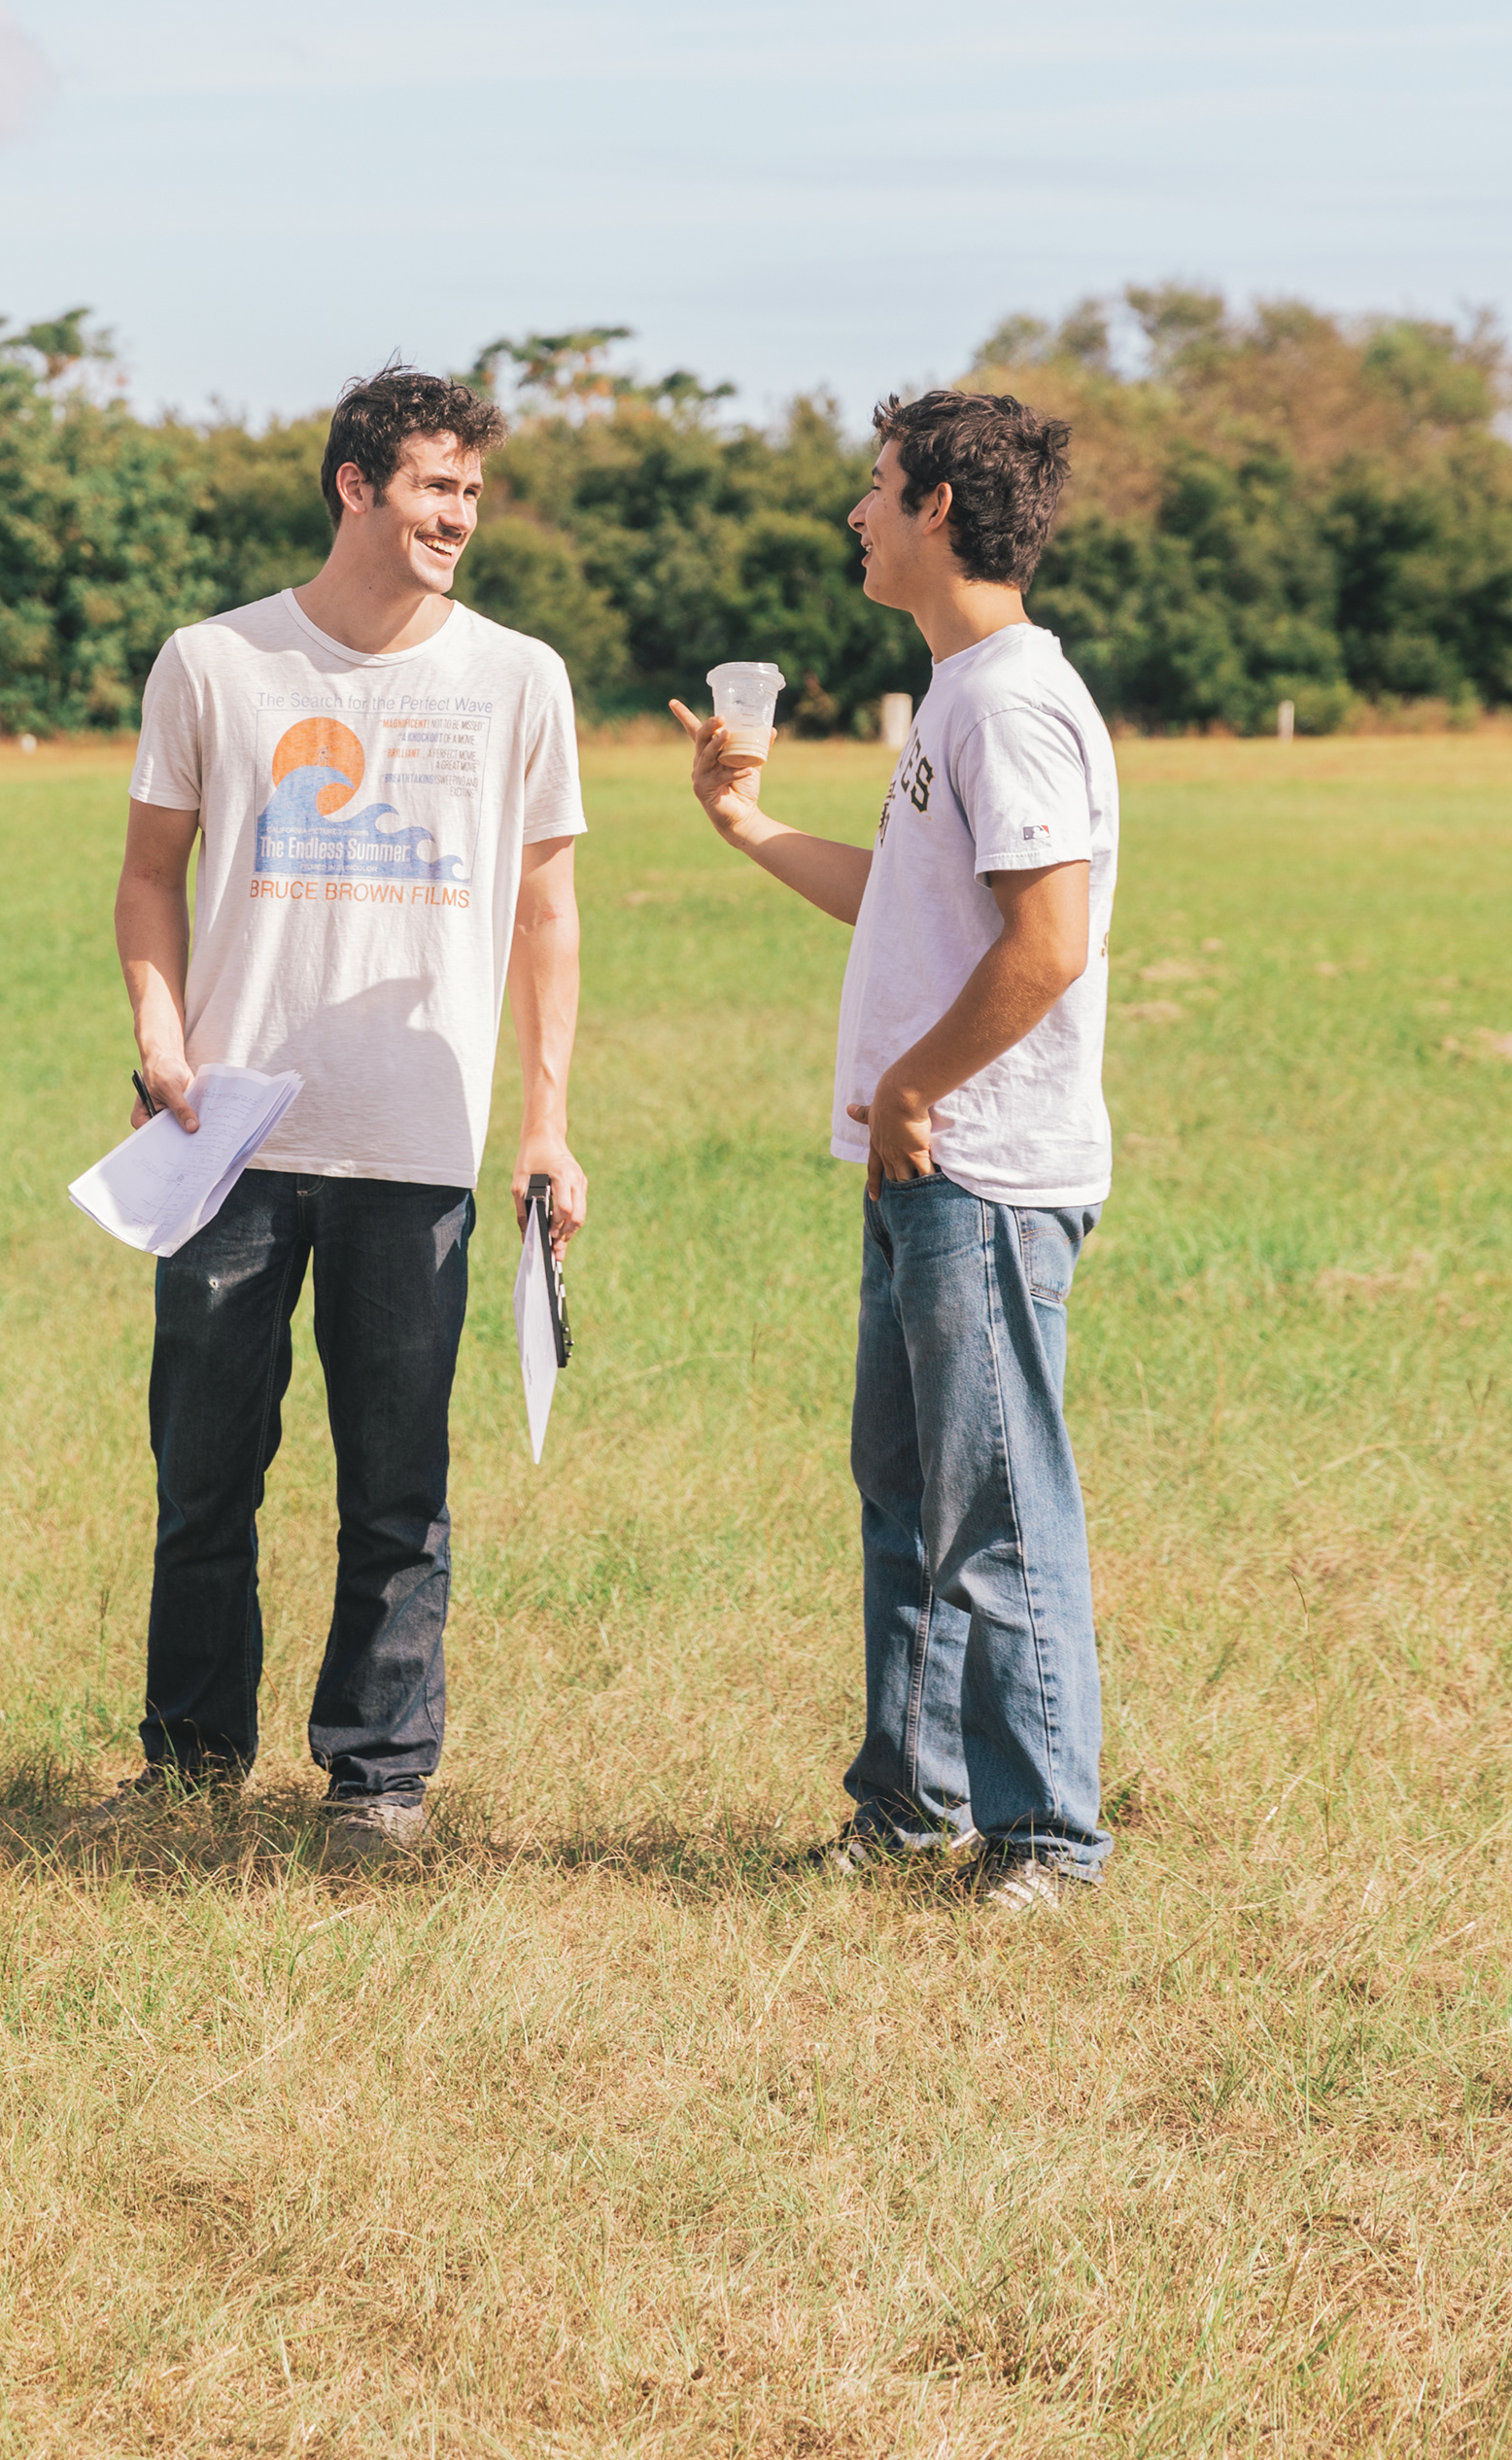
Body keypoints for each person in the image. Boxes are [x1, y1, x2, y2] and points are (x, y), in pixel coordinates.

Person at [104, 364, 587, 1858]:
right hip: (230, 1137)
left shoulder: (520, 677)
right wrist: (160, 1035)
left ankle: (378, 1779)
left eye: (473, 491)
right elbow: (148, 874)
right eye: (437, 486)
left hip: (415, 1137)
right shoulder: (214, 662)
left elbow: (549, 915)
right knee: (203, 1476)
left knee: (398, 1485)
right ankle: (191, 1763)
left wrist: (546, 1122)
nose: (460, 515)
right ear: (355, 485)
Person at [671, 388, 1117, 1909]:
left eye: (875, 485)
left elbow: (1047, 942)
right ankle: (912, 1806)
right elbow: (911, 899)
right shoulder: (955, 694)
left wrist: (917, 1089)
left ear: (937, 506)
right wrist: (747, 826)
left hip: (979, 1169)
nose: (857, 512)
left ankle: (1045, 1840)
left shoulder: (1009, 699)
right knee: (908, 1495)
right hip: (925, 1161)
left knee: (994, 1509)